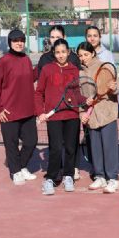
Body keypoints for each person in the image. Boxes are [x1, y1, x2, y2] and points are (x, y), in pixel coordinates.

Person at [35, 38, 84, 196]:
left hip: (72, 115)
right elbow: (39, 92)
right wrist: (40, 112)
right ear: (54, 53)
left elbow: (77, 93)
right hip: (54, 116)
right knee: (55, 148)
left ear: (68, 52)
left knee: (70, 148)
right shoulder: (47, 69)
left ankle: (68, 176)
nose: (61, 55)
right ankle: (50, 178)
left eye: (63, 52)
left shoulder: (74, 70)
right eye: (57, 52)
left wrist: (85, 101)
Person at [0, 29, 38, 186]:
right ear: (9, 43)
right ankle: (16, 171)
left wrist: (42, 66)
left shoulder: (26, 59)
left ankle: (21, 166)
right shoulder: (3, 61)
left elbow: (30, 78)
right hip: (9, 112)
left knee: (31, 142)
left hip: (28, 110)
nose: (19, 43)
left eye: (22, 40)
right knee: (11, 144)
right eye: (16, 41)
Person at [77, 42, 119, 193]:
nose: (83, 58)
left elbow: (115, 86)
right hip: (91, 116)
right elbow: (80, 96)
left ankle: (113, 178)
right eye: (80, 55)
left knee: (109, 147)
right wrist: (82, 111)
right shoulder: (80, 73)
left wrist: (114, 88)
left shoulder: (104, 66)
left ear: (93, 54)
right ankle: (100, 176)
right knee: (95, 148)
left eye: (86, 54)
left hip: (107, 113)